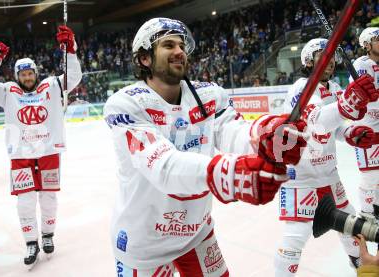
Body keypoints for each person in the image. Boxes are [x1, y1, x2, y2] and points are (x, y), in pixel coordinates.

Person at [104, 17, 311, 276]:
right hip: (144, 244)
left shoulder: (207, 94)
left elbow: (232, 131)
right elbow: (163, 166)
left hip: (197, 233)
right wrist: (231, 174)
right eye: (168, 45)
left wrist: (265, 134)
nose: (180, 51)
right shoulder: (125, 104)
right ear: (144, 59)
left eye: (181, 45)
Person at [0, 25, 82, 268]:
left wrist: (71, 50)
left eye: (30, 73)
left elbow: (74, 78)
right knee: (24, 201)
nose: (26, 77)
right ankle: (30, 241)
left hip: (48, 152)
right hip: (21, 154)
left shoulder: (51, 86)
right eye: (22, 74)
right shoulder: (7, 92)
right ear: (17, 76)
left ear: (35, 73)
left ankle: (47, 235)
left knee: (48, 199)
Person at [274, 38, 379, 276]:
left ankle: (363, 268)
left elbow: (336, 128)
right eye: (322, 54)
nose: (329, 60)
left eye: (331, 55)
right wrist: (345, 104)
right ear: (308, 61)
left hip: (329, 176)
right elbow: (316, 121)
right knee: (295, 241)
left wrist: (353, 133)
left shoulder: (334, 88)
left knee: (353, 229)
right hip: (302, 179)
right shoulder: (301, 87)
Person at [350, 27, 379, 222]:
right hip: (367, 131)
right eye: (378, 39)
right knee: (370, 176)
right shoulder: (361, 63)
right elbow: (361, 94)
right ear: (366, 44)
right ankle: (367, 213)